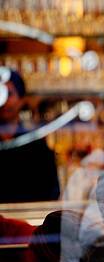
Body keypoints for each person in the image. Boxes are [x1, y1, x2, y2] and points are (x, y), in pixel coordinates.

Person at [0, 69, 59, 203]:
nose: (3, 102)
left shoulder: (35, 144)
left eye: (9, 94)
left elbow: (51, 192)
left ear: (22, 100)